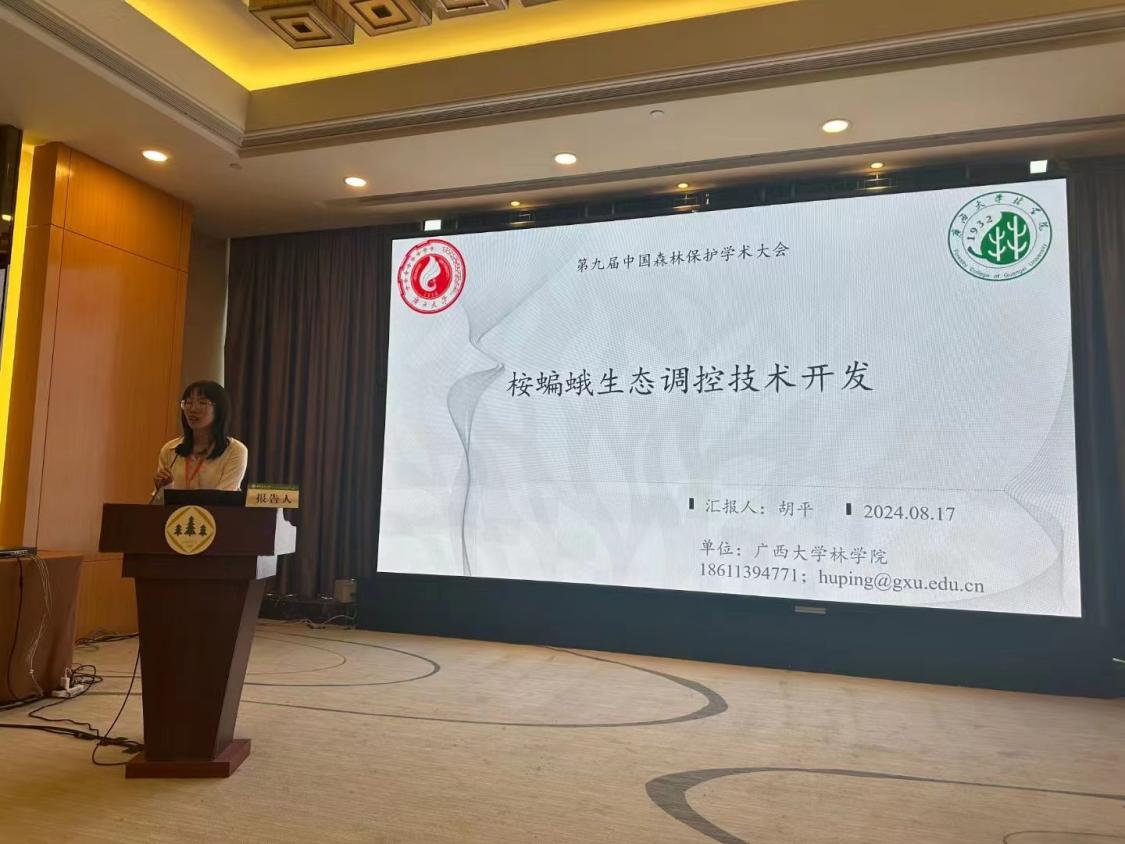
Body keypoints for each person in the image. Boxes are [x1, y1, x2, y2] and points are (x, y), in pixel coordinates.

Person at [152, 381, 247, 501]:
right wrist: (165, 487)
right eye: (188, 402)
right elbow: (158, 503)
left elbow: (223, 500)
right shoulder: (170, 449)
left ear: (219, 410)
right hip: (175, 513)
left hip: (214, 513)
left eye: (202, 402)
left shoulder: (235, 450)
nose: (193, 409)